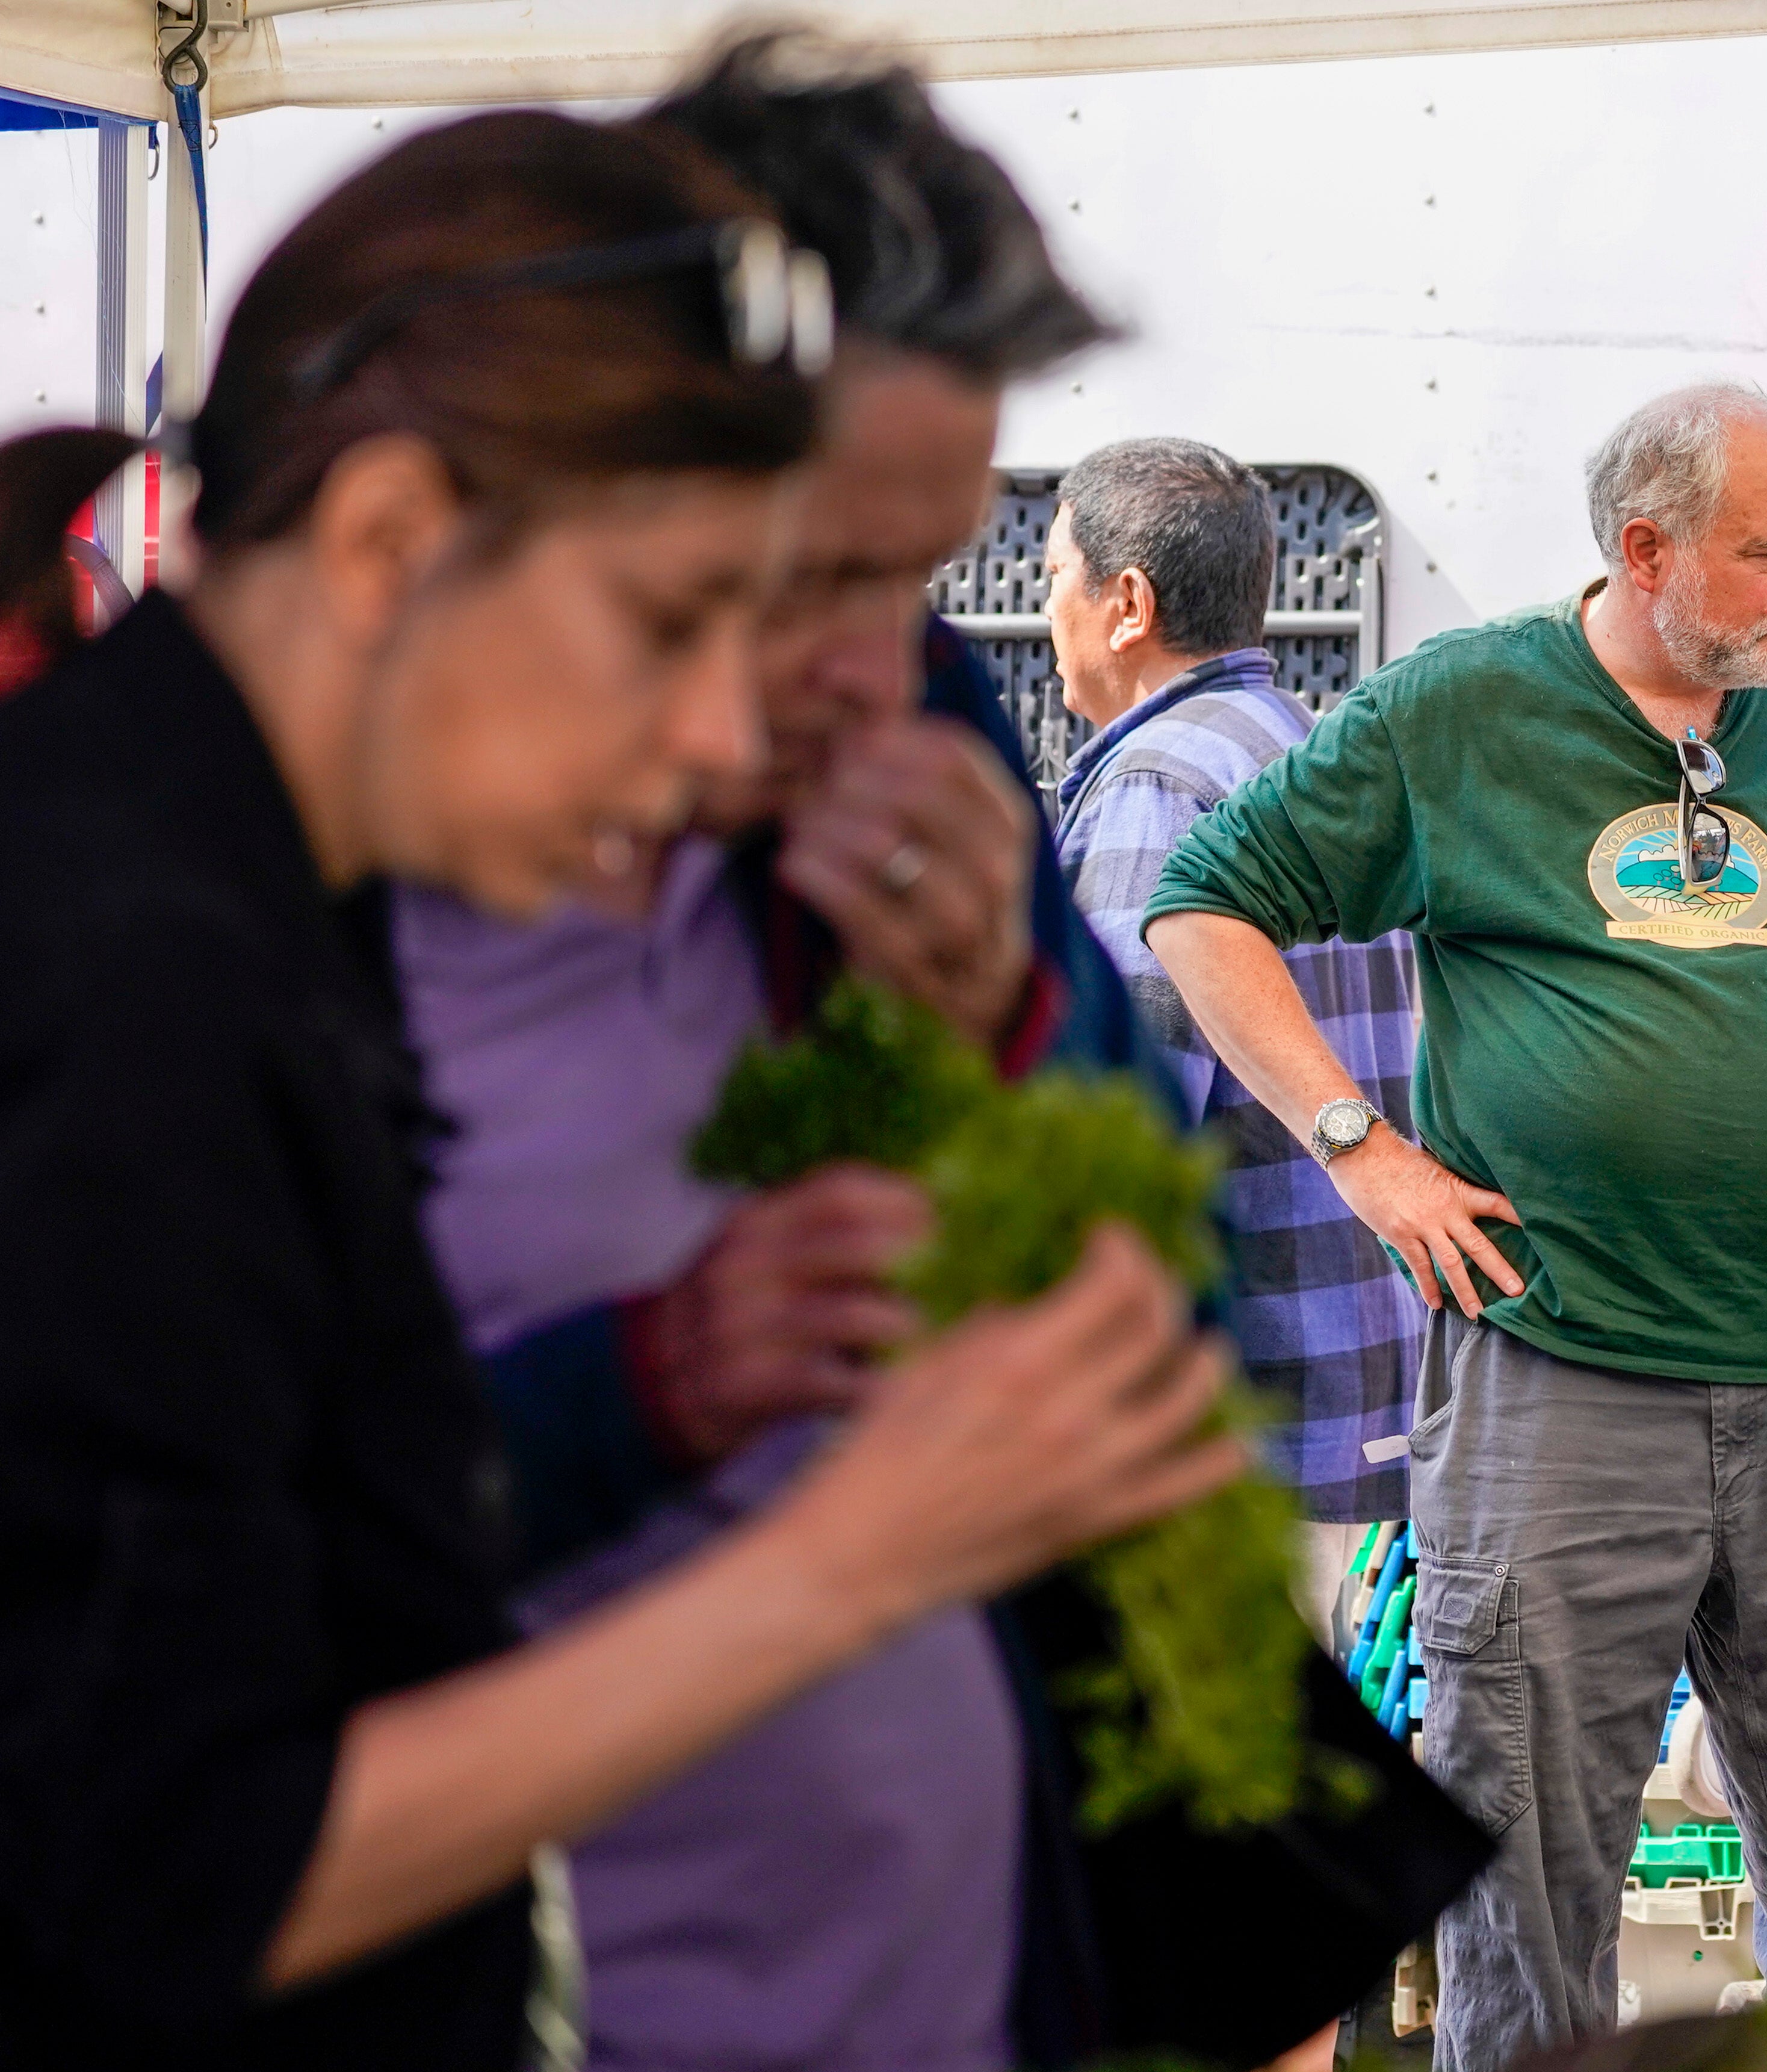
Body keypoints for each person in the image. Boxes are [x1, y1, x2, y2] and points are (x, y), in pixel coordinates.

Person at [0, 111, 1238, 2071]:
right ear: (390, 542)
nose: (717, 725)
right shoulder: (119, 971)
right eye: (676, 622)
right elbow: (182, 1861)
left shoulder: (192, 889)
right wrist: (860, 1549)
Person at [393, 45, 1486, 2072]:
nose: (853, 659)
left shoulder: (938, 740)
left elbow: (1082, 1175)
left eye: (904, 574)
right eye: (800, 566)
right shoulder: (276, 875)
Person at [1146, 380, 1767, 2069]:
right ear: (1644, 548)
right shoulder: (1458, 712)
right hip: (1554, 1380)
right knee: (1524, 1887)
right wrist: (1358, 1147)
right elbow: (1201, 907)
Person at [1045, 437, 1425, 1530]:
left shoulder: (1157, 782)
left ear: (1127, 603)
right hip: (1351, 1386)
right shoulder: (1301, 745)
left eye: (1057, 575)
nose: (1046, 607)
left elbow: (1122, 1121)